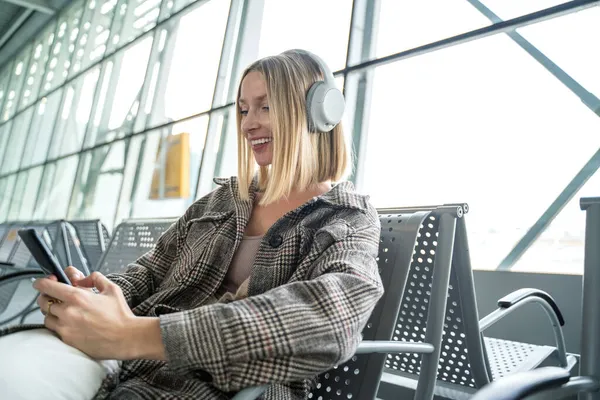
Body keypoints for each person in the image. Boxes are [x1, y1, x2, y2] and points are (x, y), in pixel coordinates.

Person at [0, 49, 383, 400]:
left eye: (265, 107)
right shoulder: (221, 201)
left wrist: (135, 335)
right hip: (132, 361)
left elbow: (331, 319)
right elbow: (151, 271)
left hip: (230, 386)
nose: (249, 124)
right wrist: (94, 298)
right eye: (243, 109)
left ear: (319, 113)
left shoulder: (346, 217)